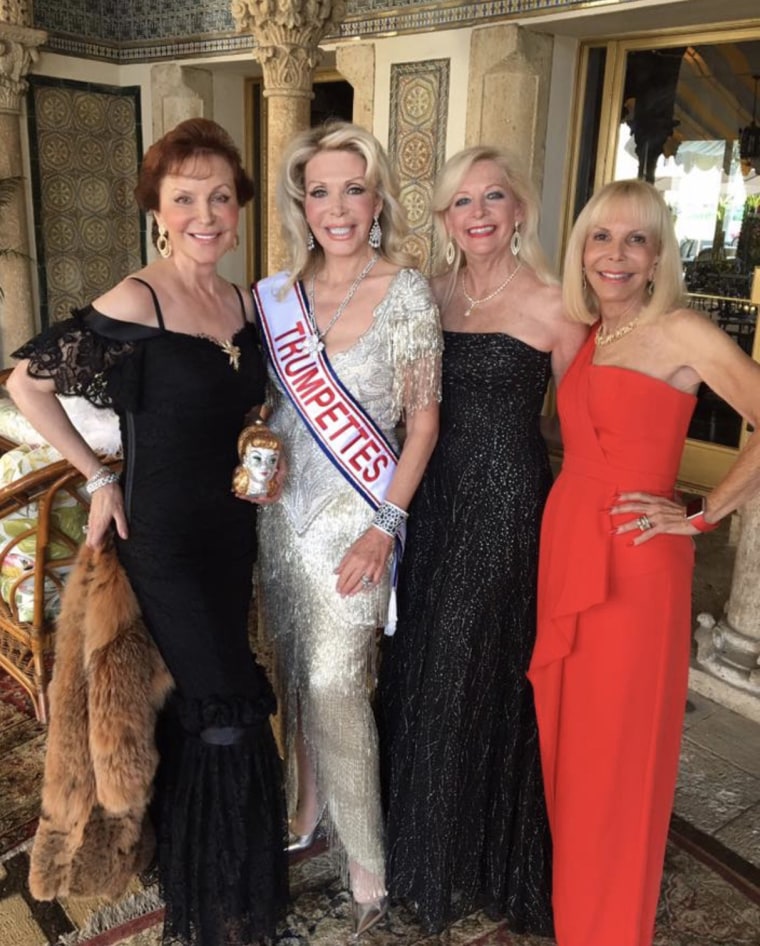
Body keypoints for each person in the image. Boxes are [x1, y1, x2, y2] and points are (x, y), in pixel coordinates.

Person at [7, 118, 288, 946]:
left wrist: (258, 437)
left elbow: (239, 406)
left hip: (231, 532)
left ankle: (197, 866)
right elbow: (28, 385)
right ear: (158, 211)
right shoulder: (140, 298)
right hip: (159, 536)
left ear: (238, 205)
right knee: (226, 704)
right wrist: (96, 477)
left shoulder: (245, 302)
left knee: (200, 700)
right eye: (184, 198)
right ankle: (222, 910)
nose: (206, 214)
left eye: (219, 197)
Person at [527, 178, 760, 946]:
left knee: (617, 756)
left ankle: (608, 927)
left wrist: (701, 514)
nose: (615, 255)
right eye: (601, 238)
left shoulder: (683, 331)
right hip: (570, 549)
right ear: (581, 251)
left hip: (634, 564)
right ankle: (578, 915)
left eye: (635, 240)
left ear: (660, 255)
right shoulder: (594, 331)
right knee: (570, 745)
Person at [378, 145, 587, 934]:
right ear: (443, 218)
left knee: (466, 666)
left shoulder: (556, 303)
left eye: (492, 198)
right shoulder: (424, 293)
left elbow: (581, 426)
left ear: (519, 210)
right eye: (461, 203)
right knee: (419, 657)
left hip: (507, 506)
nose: (478, 215)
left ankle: (462, 854)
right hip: (427, 498)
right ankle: (421, 838)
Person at [252, 121, 442, 939]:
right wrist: (253, 442)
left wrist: (384, 527)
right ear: (303, 201)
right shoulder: (277, 296)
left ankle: (366, 855)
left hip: (362, 521)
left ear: (377, 200)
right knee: (291, 664)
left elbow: (424, 425)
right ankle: (308, 801)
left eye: (353, 189)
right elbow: (270, 405)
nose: (336, 206)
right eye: (319, 190)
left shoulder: (407, 291)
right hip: (284, 519)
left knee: (338, 682)